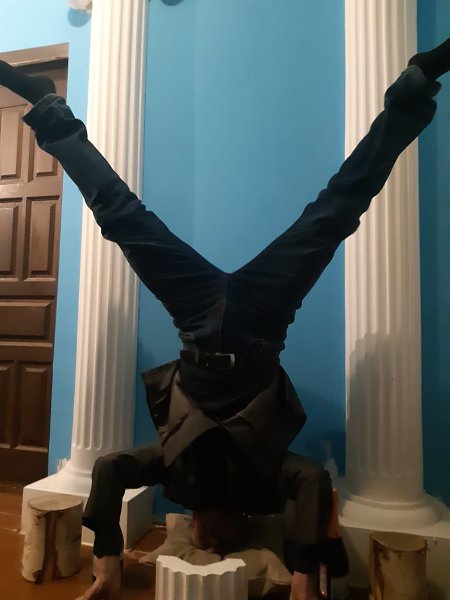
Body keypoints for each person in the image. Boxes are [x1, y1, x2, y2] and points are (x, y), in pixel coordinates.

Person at [0, 35, 448, 600]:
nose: (204, 543)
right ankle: (412, 91)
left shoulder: (174, 474)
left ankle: (48, 108)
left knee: (120, 215)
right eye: (215, 544)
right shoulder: (264, 485)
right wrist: (303, 581)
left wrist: (108, 565)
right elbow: (311, 479)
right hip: (263, 319)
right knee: (335, 211)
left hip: (194, 315)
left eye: (199, 543)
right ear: (238, 528)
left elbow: (111, 469)